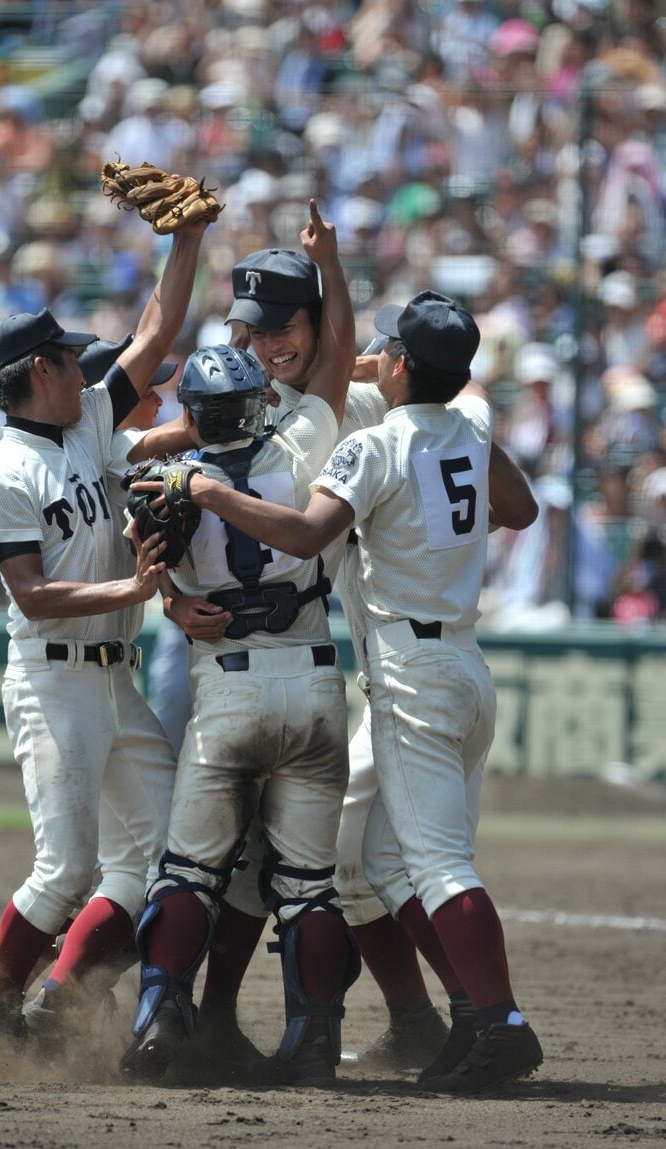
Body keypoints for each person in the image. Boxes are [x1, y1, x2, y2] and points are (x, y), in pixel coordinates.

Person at [173, 289, 544, 1095]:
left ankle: (499, 1020)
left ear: (401, 364)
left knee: (436, 863)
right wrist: (468, 421)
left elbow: (306, 533)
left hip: (411, 676)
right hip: (463, 666)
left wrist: (211, 493)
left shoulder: (371, 445)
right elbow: (521, 506)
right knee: (368, 860)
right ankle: (455, 1018)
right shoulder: (471, 427)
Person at [0, 221, 208, 1066]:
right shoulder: (3, 472)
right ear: (40, 374)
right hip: (53, 681)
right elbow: (30, 592)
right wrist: (130, 589)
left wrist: (188, 237)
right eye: (63, 355)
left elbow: (156, 331)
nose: (79, 365)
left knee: (167, 848)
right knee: (65, 867)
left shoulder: (90, 423)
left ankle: (65, 992)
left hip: (114, 679)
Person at [120, 199, 361, 1088]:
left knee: (188, 869)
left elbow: (148, 554)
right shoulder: (303, 437)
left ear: (191, 410)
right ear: (256, 396)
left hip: (226, 684)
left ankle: (159, 1011)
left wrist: (178, 596)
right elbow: (335, 359)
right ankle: (312, 1040)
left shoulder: (160, 484)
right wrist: (329, 266)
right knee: (307, 885)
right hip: (312, 676)